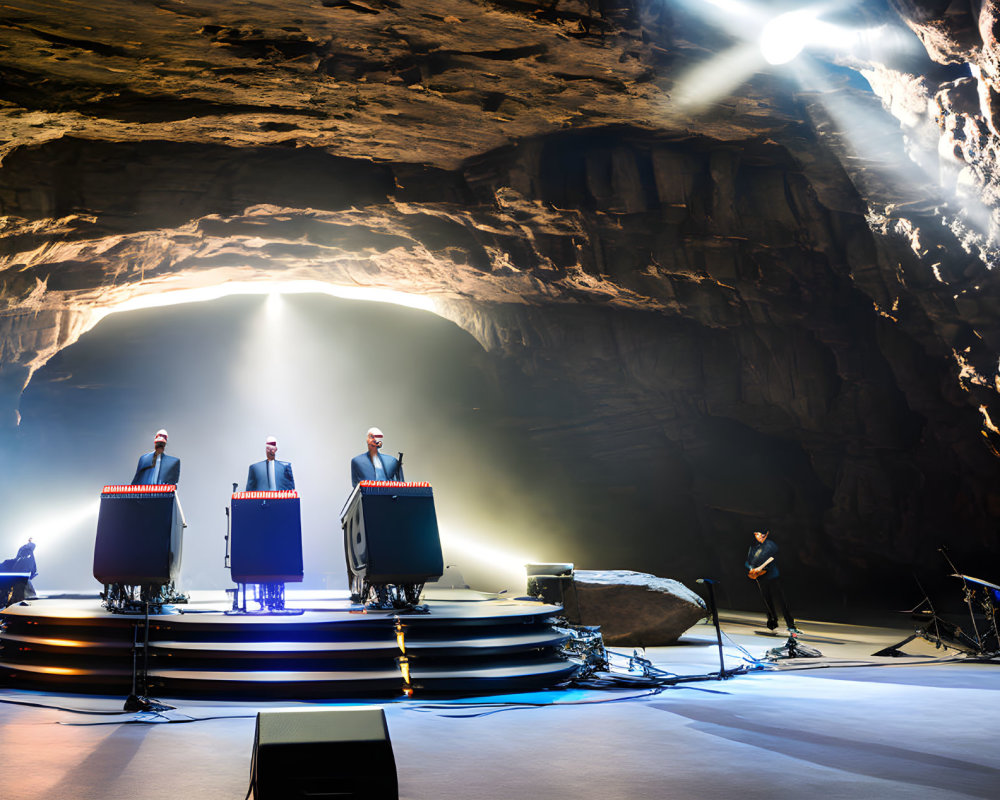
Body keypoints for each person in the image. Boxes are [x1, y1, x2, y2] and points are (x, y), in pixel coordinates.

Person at [745, 529, 798, 634]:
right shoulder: (754, 547)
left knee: (781, 600)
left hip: (772, 576)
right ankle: (772, 620)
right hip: (760, 577)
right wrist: (752, 568)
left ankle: (790, 623)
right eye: (756, 534)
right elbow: (749, 561)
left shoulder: (770, 545)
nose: (758, 536)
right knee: (767, 600)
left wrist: (761, 567)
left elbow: (772, 558)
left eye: (760, 534)